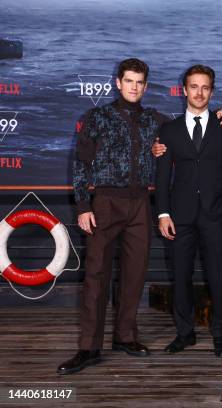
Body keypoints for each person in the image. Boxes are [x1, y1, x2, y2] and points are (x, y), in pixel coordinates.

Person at [58, 58, 166, 375]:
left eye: (139, 82)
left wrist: (161, 151)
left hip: (140, 204)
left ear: (145, 86)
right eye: (129, 80)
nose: (134, 86)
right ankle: (89, 347)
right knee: (96, 276)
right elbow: (80, 163)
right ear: (118, 82)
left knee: (134, 274)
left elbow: (182, 137)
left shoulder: (154, 120)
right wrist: (83, 207)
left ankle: (125, 336)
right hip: (104, 202)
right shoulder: (97, 117)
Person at [155, 64, 222, 357]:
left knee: (218, 277)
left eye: (205, 87)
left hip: (215, 215)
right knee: (180, 277)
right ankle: (184, 333)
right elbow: (161, 176)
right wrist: (163, 213)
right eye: (194, 86)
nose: (199, 92)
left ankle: (220, 334)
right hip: (179, 217)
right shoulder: (168, 130)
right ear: (184, 90)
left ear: (212, 91)